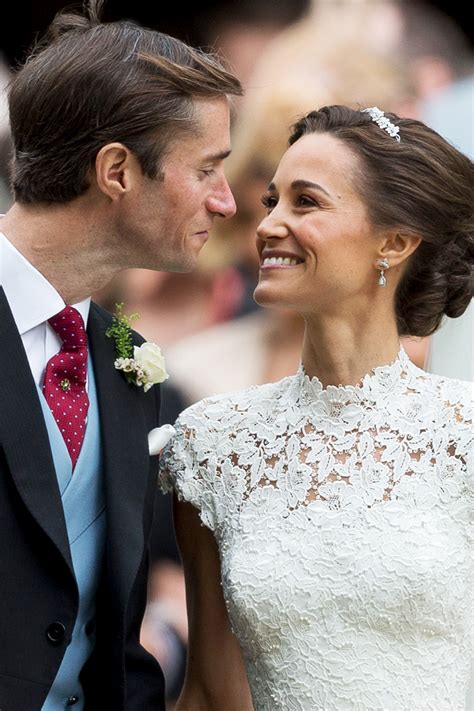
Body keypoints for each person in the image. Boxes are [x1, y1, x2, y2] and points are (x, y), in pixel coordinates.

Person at [160, 105, 474, 709]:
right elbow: (209, 691)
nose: (269, 224)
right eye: (272, 200)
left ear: (395, 242)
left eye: (305, 202)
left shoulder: (464, 434)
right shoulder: (212, 443)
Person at [0, 0, 242, 707]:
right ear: (117, 170)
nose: (227, 202)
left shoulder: (128, 364)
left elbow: (109, 643)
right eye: (208, 168)